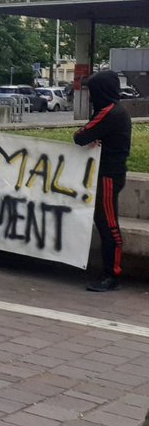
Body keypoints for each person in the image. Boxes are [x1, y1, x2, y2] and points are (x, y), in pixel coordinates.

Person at [74, 70, 132, 292]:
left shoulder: (109, 112)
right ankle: (109, 271)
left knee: (108, 224)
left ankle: (112, 273)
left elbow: (81, 136)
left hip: (108, 175)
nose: (90, 97)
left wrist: (91, 135)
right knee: (104, 222)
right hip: (109, 173)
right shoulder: (115, 111)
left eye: (93, 91)